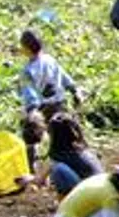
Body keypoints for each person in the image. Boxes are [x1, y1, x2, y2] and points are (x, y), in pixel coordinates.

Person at [17, 29, 80, 172]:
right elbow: (64, 76)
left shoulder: (28, 70)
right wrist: (74, 89)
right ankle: (73, 161)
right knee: (65, 134)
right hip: (59, 104)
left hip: (42, 108)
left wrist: (31, 110)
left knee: (32, 138)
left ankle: (32, 169)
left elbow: (29, 93)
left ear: (26, 49)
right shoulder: (50, 60)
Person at [40, 112, 102, 195]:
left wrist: (32, 179)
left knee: (58, 169)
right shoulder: (80, 148)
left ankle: (64, 203)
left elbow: (44, 175)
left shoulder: (61, 153)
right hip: (99, 189)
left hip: (90, 194)